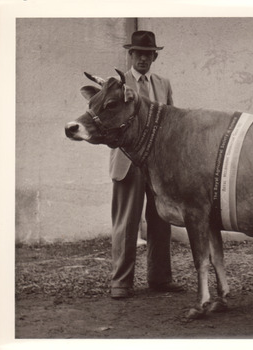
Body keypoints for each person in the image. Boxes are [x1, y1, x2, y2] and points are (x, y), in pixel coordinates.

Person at [110, 30, 184, 299]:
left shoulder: (163, 84)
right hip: (128, 163)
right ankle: (121, 282)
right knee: (126, 224)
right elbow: (111, 122)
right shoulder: (117, 83)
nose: (143, 58)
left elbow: (171, 121)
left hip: (157, 165)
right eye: (138, 54)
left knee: (162, 220)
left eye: (148, 54)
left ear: (154, 57)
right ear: (130, 55)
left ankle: (160, 279)